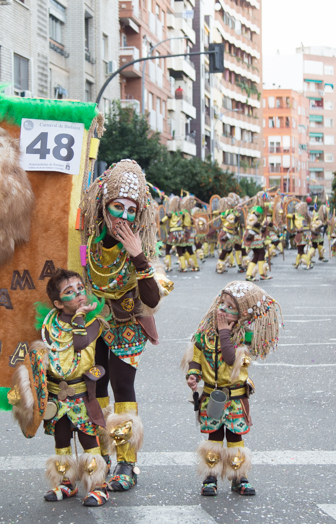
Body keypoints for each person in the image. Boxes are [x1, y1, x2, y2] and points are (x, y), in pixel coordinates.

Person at [79, 159, 165, 493]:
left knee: (122, 388)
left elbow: (153, 298)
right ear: (104, 207)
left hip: (127, 324)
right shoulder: (86, 242)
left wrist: (138, 256)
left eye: (132, 210)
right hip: (94, 322)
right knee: (94, 387)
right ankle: (100, 457)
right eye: (118, 207)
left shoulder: (138, 244)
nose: (124, 217)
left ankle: (126, 461)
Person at [14, 269, 110, 507]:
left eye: (80, 288)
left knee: (89, 438)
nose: (78, 294)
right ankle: (66, 482)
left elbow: (79, 343)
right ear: (58, 303)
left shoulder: (93, 322)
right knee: (61, 438)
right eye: (70, 292)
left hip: (81, 392)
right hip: (57, 394)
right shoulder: (50, 325)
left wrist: (79, 316)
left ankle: (98, 485)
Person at [184, 281, 281, 497]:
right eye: (222, 303)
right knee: (214, 436)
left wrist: (224, 333)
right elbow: (197, 355)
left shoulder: (244, 337)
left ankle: (239, 477)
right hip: (212, 395)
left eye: (230, 307)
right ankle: (210, 476)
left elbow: (230, 359)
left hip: (235, 397)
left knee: (235, 436)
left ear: (241, 315)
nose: (222, 309)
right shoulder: (205, 334)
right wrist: (193, 374)